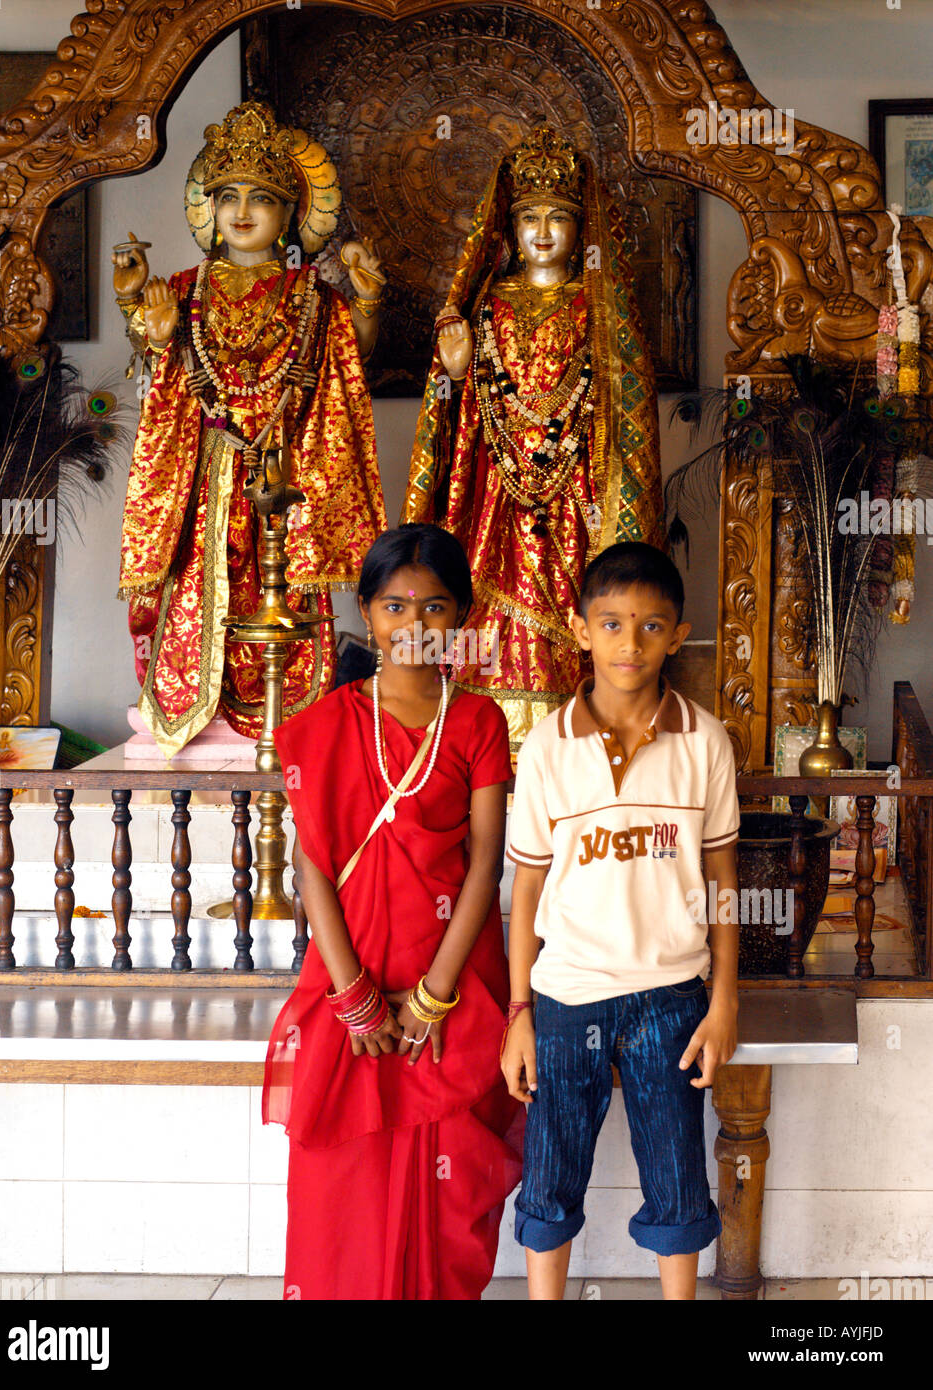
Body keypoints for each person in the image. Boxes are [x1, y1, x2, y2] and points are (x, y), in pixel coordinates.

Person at [262, 523, 522, 1300]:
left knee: (452, 1187)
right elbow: (313, 864)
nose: (415, 625)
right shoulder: (323, 724)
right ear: (367, 614)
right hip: (352, 986)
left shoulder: (478, 722)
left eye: (435, 606)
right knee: (342, 1182)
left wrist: (435, 998)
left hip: (453, 988)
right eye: (394, 605)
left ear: (463, 617)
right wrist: (352, 999)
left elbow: (483, 865)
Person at [500, 541, 740, 1300]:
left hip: (672, 995)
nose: (628, 644)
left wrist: (724, 1000)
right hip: (567, 993)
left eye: (647, 626)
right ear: (579, 629)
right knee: (551, 1163)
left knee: (674, 1164)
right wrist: (518, 1011)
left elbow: (722, 881)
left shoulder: (703, 741)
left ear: (677, 632)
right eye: (610, 624)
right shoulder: (546, 747)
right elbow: (526, 892)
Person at [112, 102, 386, 757]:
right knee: (203, 581)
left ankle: (292, 710)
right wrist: (138, 313)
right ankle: (194, 706)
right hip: (208, 469)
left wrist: (369, 301)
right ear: (208, 209)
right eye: (228, 196)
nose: (242, 211)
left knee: (289, 585)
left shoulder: (313, 295)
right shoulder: (183, 288)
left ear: (289, 214)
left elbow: (348, 357)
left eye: (261, 199)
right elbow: (159, 361)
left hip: (287, 469)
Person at [403, 125, 664, 750]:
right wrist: (457, 375)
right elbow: (449, 408)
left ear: (582, 232)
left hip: (577, 485)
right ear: (509, 232)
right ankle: (485, 733)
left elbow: (625, 402)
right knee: (487, 601)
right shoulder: (487, 306)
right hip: (495, 486)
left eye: (558, 218)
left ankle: (578, 726)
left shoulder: (600, 306)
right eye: (528, 218)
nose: (543, 231)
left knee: (581, 595)